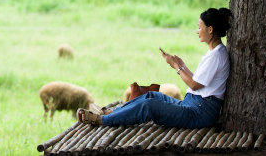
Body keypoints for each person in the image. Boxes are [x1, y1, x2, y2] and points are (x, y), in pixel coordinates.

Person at [77, 7, 232, 129]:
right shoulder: (214, 53)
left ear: (210, 29)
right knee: (151, 96)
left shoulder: (217, 56)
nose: (197, 31)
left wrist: (177, 67)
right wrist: (182, 65)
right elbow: (199, 81)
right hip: (192, 104)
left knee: (149, 106)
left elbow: (194, 85)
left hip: (199, 113)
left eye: (199, 27)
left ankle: (102, 120)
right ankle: (111, 113)